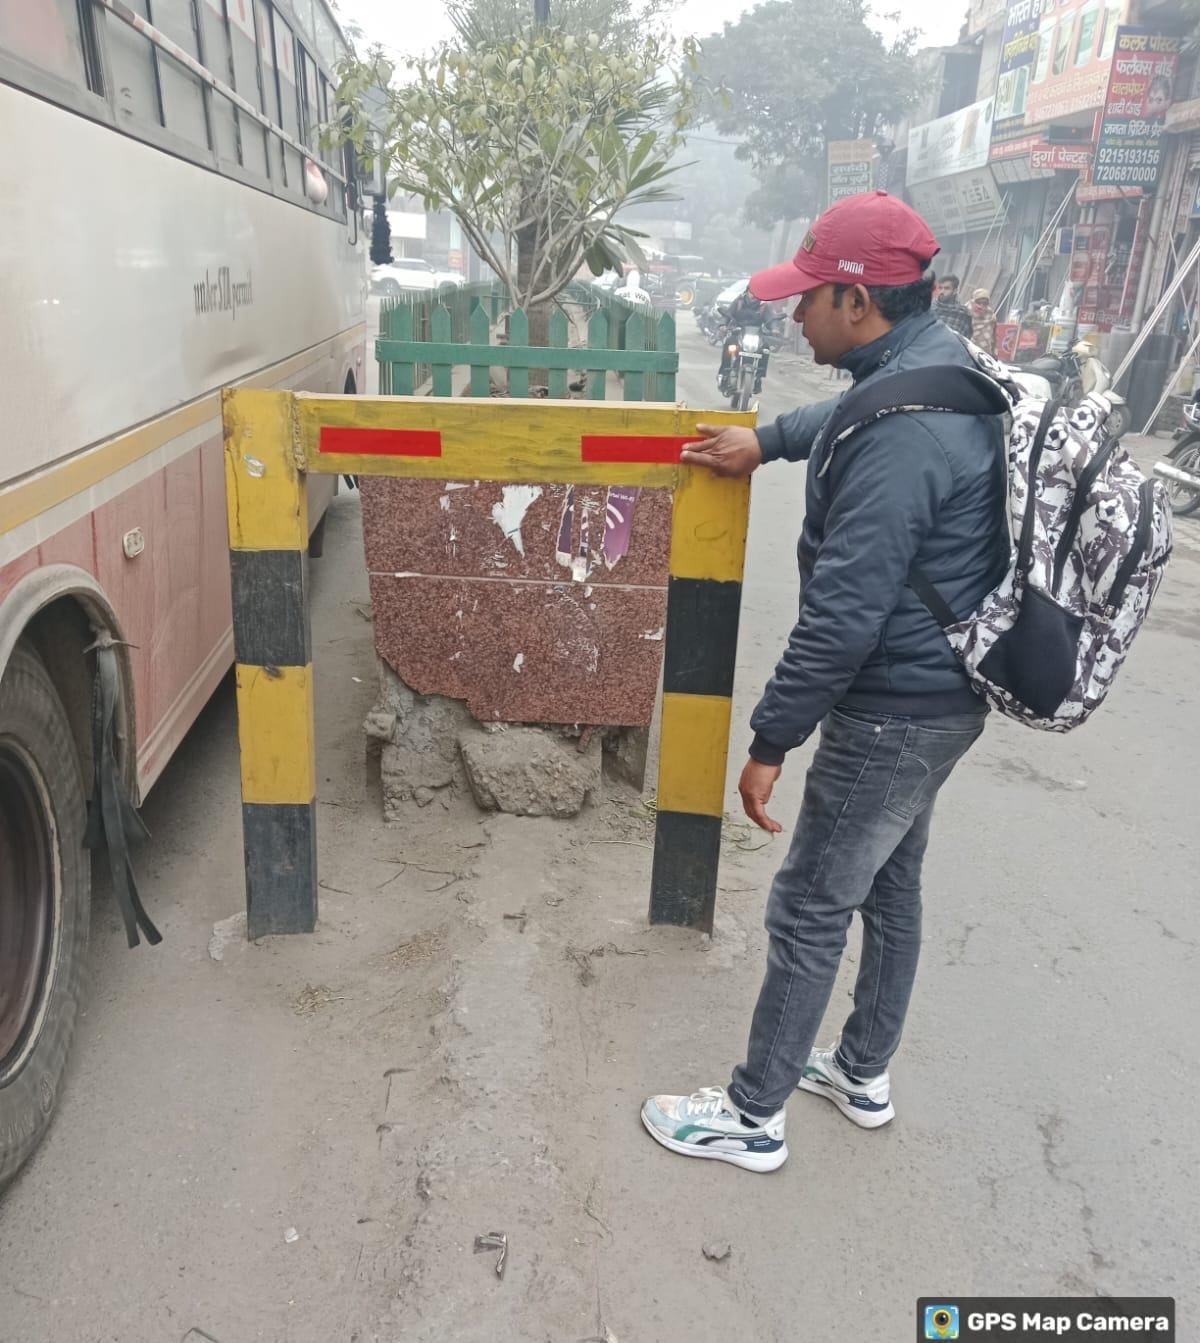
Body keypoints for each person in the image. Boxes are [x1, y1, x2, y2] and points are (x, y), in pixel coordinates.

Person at [640, 190, 1007, 1173]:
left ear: (857, 298)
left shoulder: (900, 438)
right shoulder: (933, 363)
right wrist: (769, 439)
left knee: (810, 900)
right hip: (941, 697)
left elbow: (842, 619)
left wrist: (769, 742)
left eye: (807, 298)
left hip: (892, 706)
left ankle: (752, 1116)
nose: (792, 315)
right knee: (891, 878)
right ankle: (862, 1066)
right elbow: (855, 409)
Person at [717, 287, 772, 392]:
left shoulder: (764, 306)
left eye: (756, 292)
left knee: (766, 348)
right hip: (738, 333)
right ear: (747, 292)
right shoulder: (738, 302)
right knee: (729, 343)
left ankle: (758, 378)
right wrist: (723, 324)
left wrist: (775, 328)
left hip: (756, 336)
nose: (753, 295)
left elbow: (771, 319)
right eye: (751, 292)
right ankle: (724, 373)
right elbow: (728, 314)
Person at [933, 273, 973, 340]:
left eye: (946, 288)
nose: (942, 291)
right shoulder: (929, 309)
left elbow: (964, 341)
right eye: (940, 288)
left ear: (955, 291)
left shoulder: (962, 314)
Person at [970, 287, 997, 355]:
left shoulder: (991, 317)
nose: (981, 306)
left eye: (985, 304)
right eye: (978, 303)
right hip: (967, 353)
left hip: (985, 356)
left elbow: (994, 339)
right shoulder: (965, 313)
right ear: (973, 302)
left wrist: (995, 354)